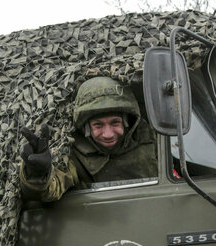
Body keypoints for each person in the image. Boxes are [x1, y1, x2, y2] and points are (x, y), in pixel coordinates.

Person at [19, 76, 157, 202]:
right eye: (98, 125)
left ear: (127, 123)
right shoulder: (75, 156)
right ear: (86, 128)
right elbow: (52, 189)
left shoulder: (151, 140)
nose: (108, 134)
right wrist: (37, 174)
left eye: (115, 123)